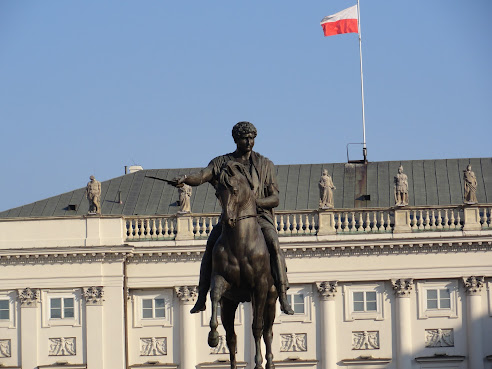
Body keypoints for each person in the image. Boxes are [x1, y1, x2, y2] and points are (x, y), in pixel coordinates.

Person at [172, 121, 294, 315]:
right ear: (236, 139)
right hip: (230, 219)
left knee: (273, 243)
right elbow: (202, 176)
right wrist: (185, 179)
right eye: (245, 138)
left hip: (259, 217)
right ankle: (202, 296)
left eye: (252, 138)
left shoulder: (265, 164)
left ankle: (283, 293)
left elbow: (275, 198)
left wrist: (256, 203)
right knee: (210, 246)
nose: (249, 142)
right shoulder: (221, 163)